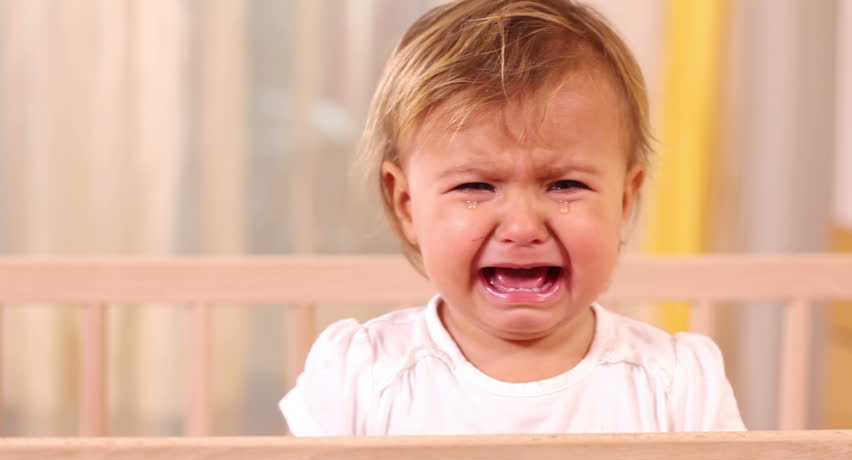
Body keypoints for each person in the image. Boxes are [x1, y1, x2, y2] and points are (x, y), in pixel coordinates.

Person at [280, 0, 744, 435]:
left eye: (565, 185)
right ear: (407, 206)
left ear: (623, 202)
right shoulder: (361, 377)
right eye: (475, 187)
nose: (522, 227)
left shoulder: (675, 388)